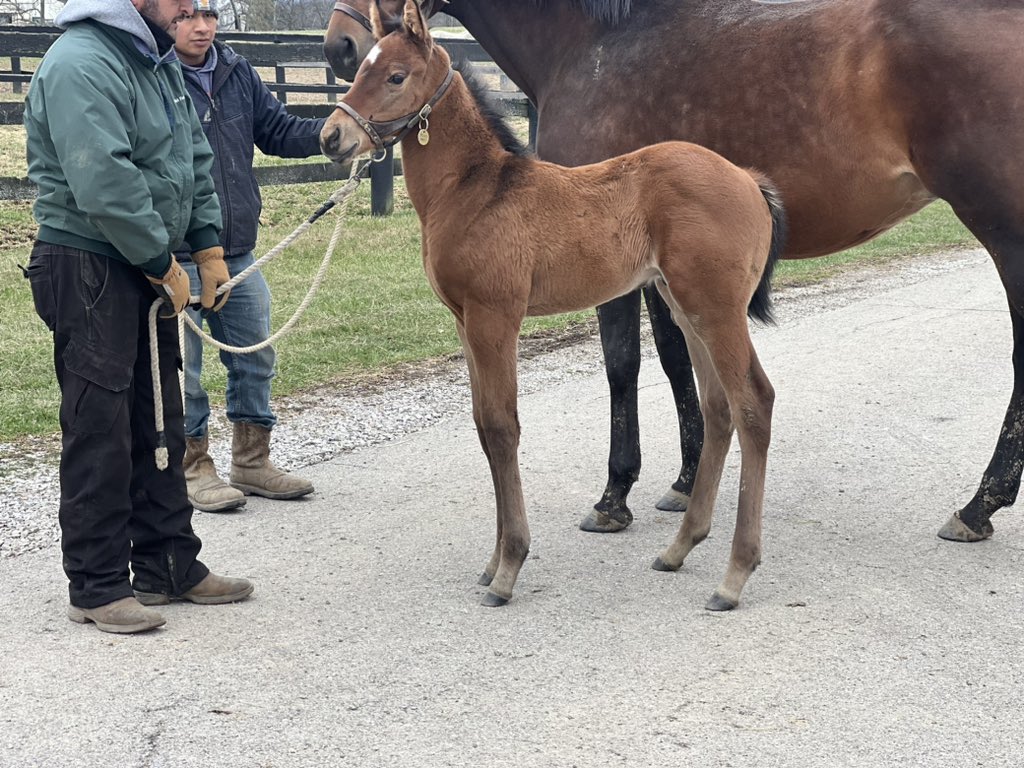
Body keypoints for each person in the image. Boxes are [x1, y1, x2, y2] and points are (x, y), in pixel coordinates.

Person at [23, 0, 254, 634]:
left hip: (143, 261)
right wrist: (162, 260)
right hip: (90, 262)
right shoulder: (81, 62)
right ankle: (95, 586)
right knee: (101, 428)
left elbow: (192, 159)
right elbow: (104, 181)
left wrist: (206, 245)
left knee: (160, 418)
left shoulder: (152, 62)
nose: (191, 6)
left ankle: (168, 563)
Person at [172, 0, 321, 513]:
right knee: (181, 372)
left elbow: (277, 130)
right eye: (189, 16)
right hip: (176, 254)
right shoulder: (155, 77)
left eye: (210, 14)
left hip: (238, 250)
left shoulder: (237, 72)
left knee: (256, 354)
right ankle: (191, 467)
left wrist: (335, 134)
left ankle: (251, 462)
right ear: (167, 20)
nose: (203, 26)